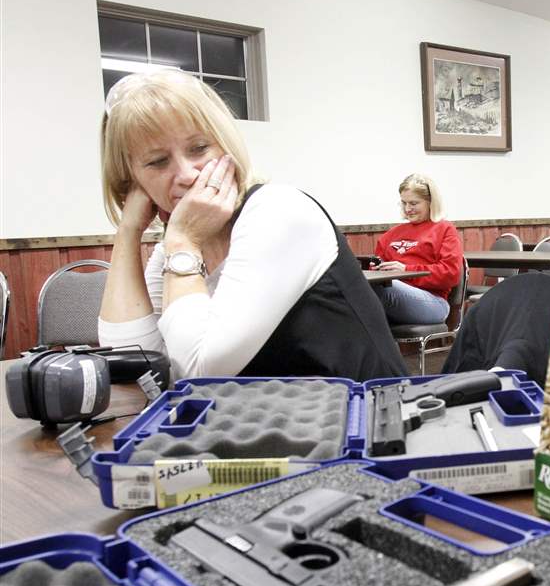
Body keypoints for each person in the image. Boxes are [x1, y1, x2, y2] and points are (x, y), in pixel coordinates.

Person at [97, 70, 406, 381]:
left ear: (226, 143)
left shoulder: (278, 210)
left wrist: (183, 241)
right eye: (157, 162)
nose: (187, 174)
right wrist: (128, 230)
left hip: (369, 418)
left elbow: (200, 372)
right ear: (133, 179)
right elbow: (131, 361)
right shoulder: (178, 245)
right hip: (278, 422)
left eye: (199, 148)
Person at [374, 174, 464, 324]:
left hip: (434, 302)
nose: (408, 209)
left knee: (380, 289)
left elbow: (451, 274)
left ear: (430, 203)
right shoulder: (391, 235)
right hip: (393, 295)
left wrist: (405, 270)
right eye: (404, 203)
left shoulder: (444, 229)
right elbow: (376, 270)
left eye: (414, 203)